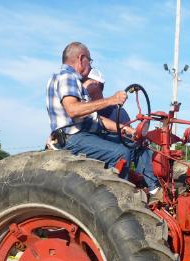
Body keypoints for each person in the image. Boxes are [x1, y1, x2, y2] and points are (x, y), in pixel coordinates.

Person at [46, 42, 160, 196]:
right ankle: (119, 202)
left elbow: (96, 119)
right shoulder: (67, 76)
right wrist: (111, 100)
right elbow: (73, 110)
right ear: (81, 58)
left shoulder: (71, 80)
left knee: (134, 143)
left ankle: (154, 188)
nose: (90, 66)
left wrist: (129, 130)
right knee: (120, 153)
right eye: (90, 61)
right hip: (72, 138)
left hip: (80, 135)